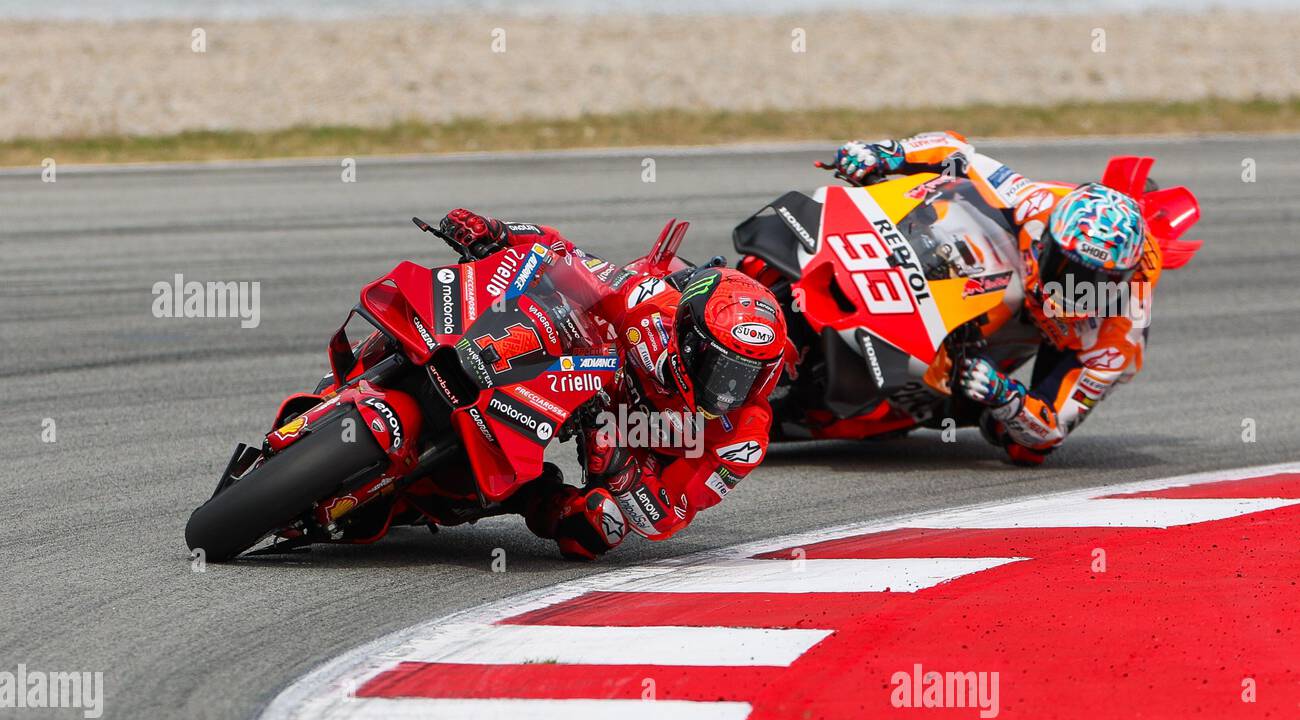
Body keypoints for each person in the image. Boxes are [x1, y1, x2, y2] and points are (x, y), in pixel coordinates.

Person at [437, 208, 790, 559]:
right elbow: (567, 257)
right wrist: (498, 233)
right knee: (533, 300)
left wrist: (620, 468)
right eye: (719, 365)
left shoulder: (744, 440)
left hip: (628, 453)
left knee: (597, 528)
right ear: (687, 338)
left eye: (747, 374)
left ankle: (522, 494)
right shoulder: (649, 307)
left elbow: (668, 517)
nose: (728, 387)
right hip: (583, 373)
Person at [828, 131, 1160, 464]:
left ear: (1121, 282)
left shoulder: (1120, 334)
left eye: (1094, 281)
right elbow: (958, 153)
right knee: (953, 206)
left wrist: (1007, 398)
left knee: (1022, 447)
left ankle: (942, 389)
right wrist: (888, 153)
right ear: (1047, 244)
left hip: (1068, 334)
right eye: (1066, 270)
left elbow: (1052, 428)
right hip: (1015, 257)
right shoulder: (1036, 203)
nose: (1073, 287)